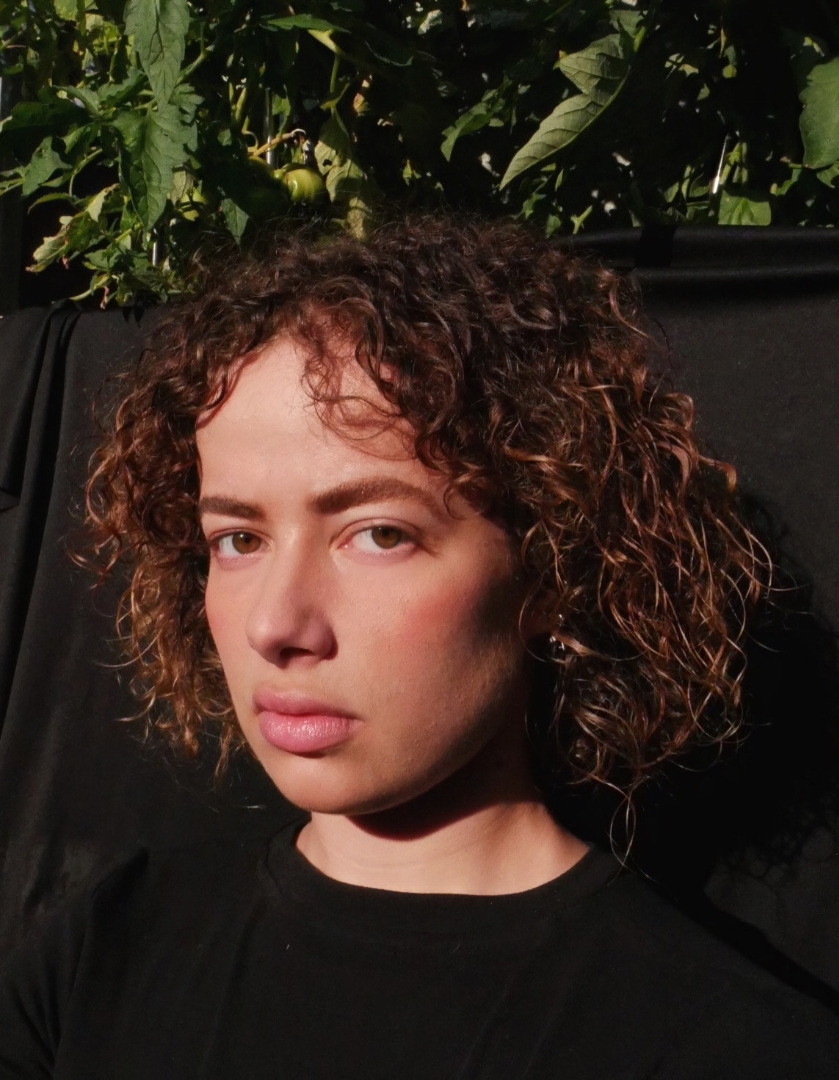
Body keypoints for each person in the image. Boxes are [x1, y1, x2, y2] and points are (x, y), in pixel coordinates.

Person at [1, 217, 837, 1077]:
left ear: (552, 567)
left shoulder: (729, 1043)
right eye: (238, 540)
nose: (274, 625)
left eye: (379, 534)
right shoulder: (97, 958)